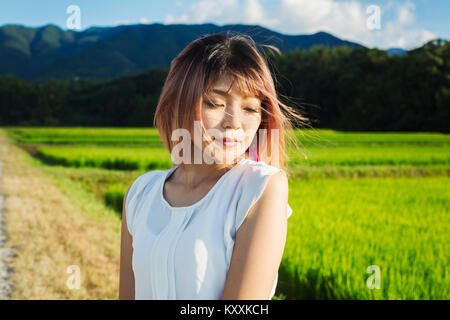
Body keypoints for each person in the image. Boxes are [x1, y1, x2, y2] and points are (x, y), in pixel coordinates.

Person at [119, 31, 308, 300]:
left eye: (251, 109)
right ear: (176, 104)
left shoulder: (259, 189)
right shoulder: (140, 194)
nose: (234, 122)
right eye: (215, 103)